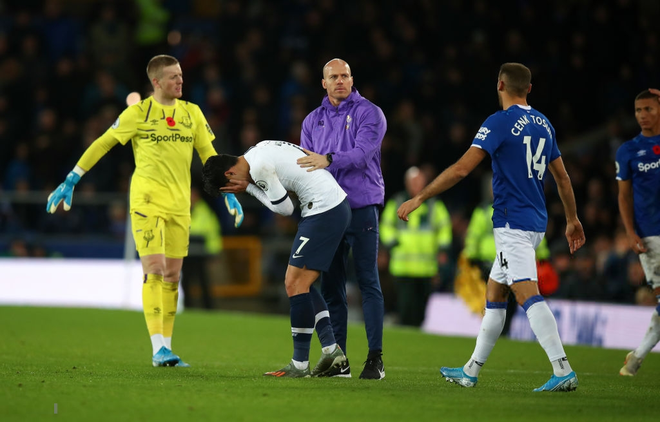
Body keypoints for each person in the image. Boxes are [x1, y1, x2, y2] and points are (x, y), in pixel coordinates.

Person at [46, 54, 244, 367]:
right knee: (153, 269)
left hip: (180, 205)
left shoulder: (192, 113)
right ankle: (157, 348)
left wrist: (227, 191)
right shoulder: (137, 113)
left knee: (173, 276)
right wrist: (72, 178)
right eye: (173, 77)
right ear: (156, 82)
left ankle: (166, 347)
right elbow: (103, 143)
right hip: (147, 201)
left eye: (181, 75)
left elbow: (210, 156)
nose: (180, 81)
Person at [397, 63, 586, 392]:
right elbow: (563, 179)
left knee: (527, 294)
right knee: (495, 295)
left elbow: (460, 170)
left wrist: (420, 198)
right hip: (535, 220)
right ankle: (470, 371)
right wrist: (572, 219)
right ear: (528, 89)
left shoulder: (499, 122)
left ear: (500, 85)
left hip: (512, 221)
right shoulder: (544, 123)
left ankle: (563, 368)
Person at [202, 140, 350, 378]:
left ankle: (300, 364)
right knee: (301, 283)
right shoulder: (254, 151)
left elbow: (285, 209)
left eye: (230, 185)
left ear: (230, 173)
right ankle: (332, 352)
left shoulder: (258, 167)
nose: (236, 187)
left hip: (324, 209)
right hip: (329, 206)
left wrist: (249, 188)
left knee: (293, 283)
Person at [296, 58, 387, 379]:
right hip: (327, 211)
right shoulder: (312, 121)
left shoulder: (369, 113)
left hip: (361, 207)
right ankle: (340, 362)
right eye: (333, 77)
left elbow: (363, 154)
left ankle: (375, 359)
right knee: (332, 288)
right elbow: (304, 167)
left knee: (367, 282)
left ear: (352, 78)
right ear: (323, 83)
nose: (339, 81)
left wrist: (328, 159)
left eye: (345, 75)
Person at [615, 88, 660, 376]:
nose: (643, 115)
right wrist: (630, 232)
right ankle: (637, 358)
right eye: (638, 110)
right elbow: (623, 197)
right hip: (651, 235)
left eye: (649, 109)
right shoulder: (628, 151)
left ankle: (636, 358)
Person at [379, 166, 452, 327]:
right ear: (407, 183)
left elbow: (444, 227)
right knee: (405, 307)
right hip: (403, 266)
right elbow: (385, 225)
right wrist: (393, 243)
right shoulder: (397, 202)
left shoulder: (433, 204)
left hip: (426, 267)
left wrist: (443, 249)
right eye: (413, 181)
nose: (417, 185)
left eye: (419, 181)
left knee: (422, 308)